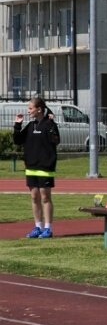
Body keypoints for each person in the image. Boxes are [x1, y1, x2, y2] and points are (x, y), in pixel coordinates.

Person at [13, 97, 60, 239]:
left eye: (30, 108)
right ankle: (38, 227)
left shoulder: (49, 124)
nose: (29, 111)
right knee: (34, 197)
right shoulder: (31, 125)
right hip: (31, 166)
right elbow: (17, 140)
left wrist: (52, 123)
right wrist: (17, 125)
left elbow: (56, 140)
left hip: (45, 167)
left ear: (39, 109)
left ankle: (47, 228)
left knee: (45, 197)